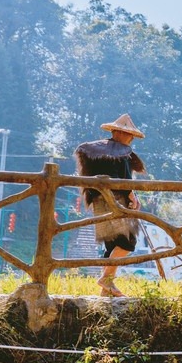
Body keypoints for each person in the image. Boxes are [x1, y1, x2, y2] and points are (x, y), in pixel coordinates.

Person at [74, 114, 146, 297]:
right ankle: (106, 280)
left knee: (111, 245)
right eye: (129, 135)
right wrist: (133, 198)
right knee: (127, 243)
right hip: (116, 202)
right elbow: (125, 182)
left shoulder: (97, 151)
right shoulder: (122, 153)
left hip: (99, 201)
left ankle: (106, 290)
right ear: (120, 133)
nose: (130, 139)